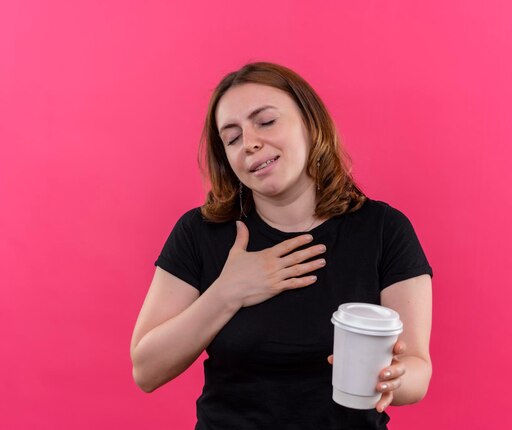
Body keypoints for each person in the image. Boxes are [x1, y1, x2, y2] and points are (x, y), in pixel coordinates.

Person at [130, 62, 433, 430]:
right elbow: (146, 370)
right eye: (232, 137)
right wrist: (228, 293)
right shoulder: (200, 233)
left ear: (310, 122)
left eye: (266, 121)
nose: (250, 142)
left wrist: (392, 379)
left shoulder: (384, 230)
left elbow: (418, 369)